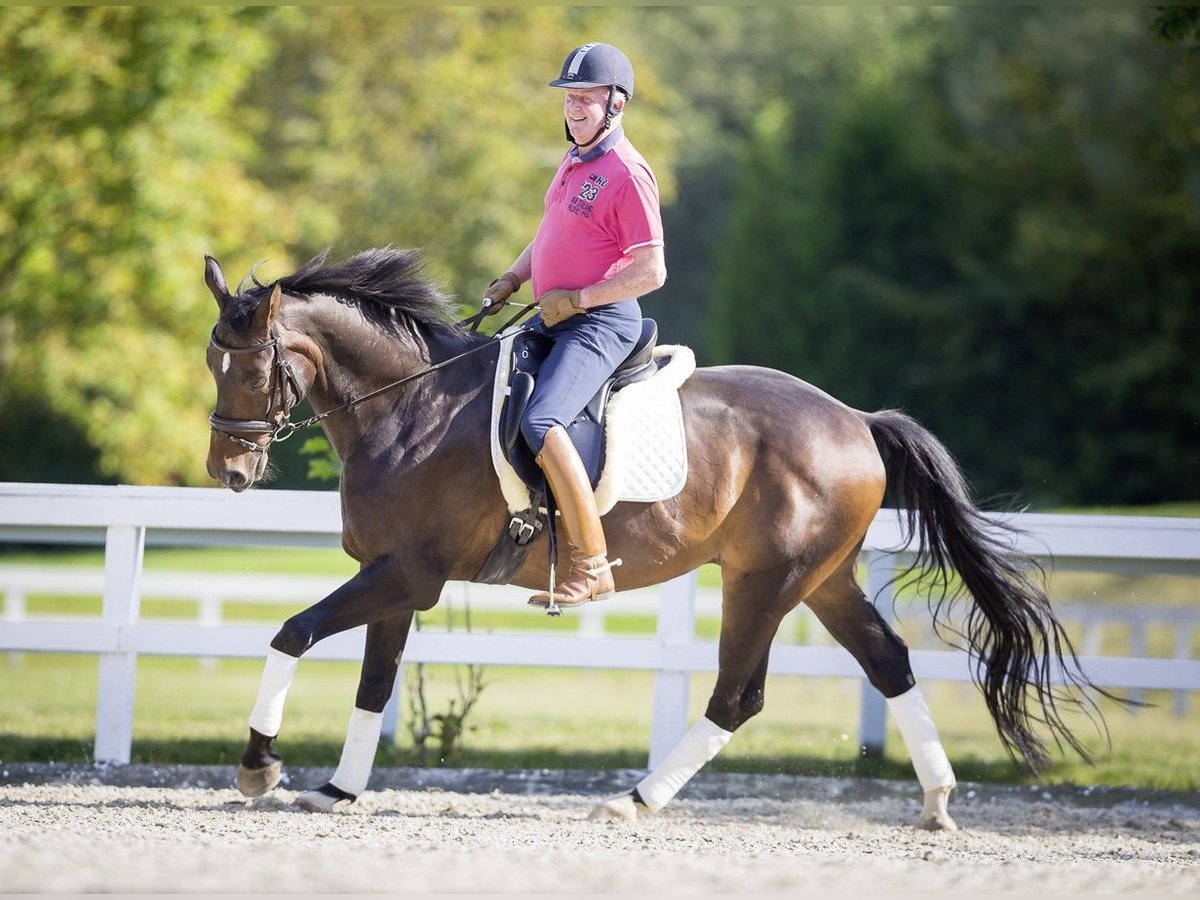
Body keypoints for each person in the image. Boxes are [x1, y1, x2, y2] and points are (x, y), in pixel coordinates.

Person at [482, 42, 667, 608]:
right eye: (570, 98)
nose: (576, 108)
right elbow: (549, 235)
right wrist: (513, 279)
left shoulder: (627, 173)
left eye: (588, 98)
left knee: (542, 418)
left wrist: (581, 298)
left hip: (600, 323)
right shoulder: (573, 162)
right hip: (553, 316)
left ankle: (591, 565)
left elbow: (651, 269)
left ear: (617, 104)